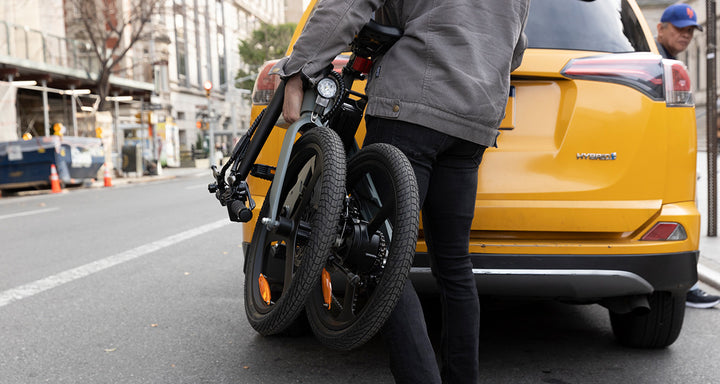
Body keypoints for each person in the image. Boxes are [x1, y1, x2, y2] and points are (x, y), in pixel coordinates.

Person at [279, 1, 530, 382]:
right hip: (474, 122)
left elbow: (347, 4)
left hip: (410, 109)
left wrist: (300, 68)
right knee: (455, 265)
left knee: (380, 257)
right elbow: (515, 49)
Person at [656, 3, 720, 309]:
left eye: (690, 31)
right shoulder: (658, 60)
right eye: (679, 28)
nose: (685, 35)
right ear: (661, 28)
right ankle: (684, 287)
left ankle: (683, 284)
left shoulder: (667, 59)